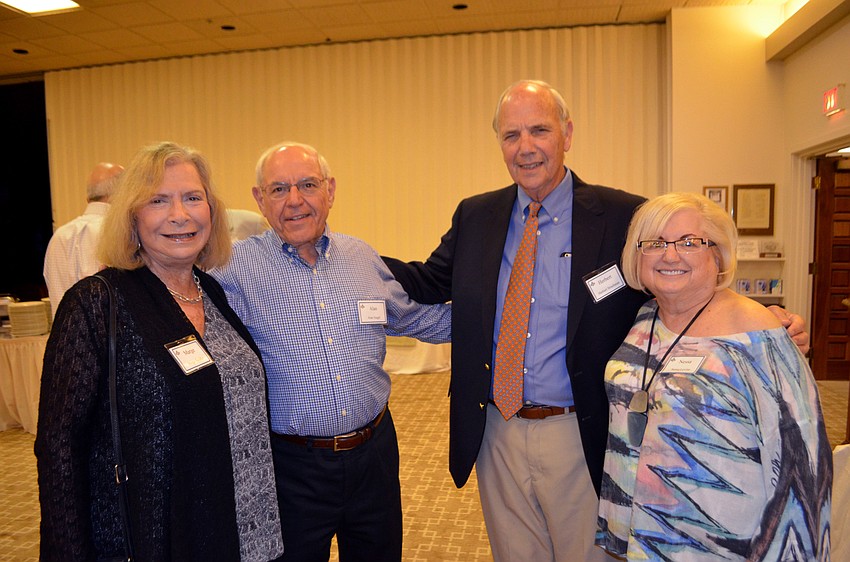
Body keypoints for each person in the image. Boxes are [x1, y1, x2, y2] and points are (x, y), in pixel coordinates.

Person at [383, 80, 810, 561]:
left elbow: (676, 276)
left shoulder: (622, 214)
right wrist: (353, 260)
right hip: (495, 430)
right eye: (511, 135)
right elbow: (428, 280)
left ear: (566, 133)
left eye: (539, 130)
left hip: (583, 429)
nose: (525, 147)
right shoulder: (477, 215)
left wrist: (759, 316)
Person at [35, 142, 284, 561]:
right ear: (132, 217)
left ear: (212, 211)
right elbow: (59, 444)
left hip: (246, 527)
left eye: (192, 198)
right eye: (158, 200)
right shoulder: (98, 303)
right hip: (159, 534)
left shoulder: (214, 293)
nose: (179, 215)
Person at [210, 141, 452, 562]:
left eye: (308, 184)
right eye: (279, 189)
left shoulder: (361, 256)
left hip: (374, 455)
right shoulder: (233, 272)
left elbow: (418, 318)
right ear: (259, 200)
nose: (295, 201)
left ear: (331, 191)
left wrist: (502, 316)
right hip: (292, 468)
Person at [596, 192, 831, 560]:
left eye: (690, 242)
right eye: (655, 242)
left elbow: (803, 470)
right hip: (642, 538)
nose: (670, 255)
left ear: (717, 254)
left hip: (721, 545)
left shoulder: (758, 334)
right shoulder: (645, 318)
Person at [43, 161, 124, 317]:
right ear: (120, 194)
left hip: (63, 336)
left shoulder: (59, 236)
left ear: (88, 197)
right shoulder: (119, 234)